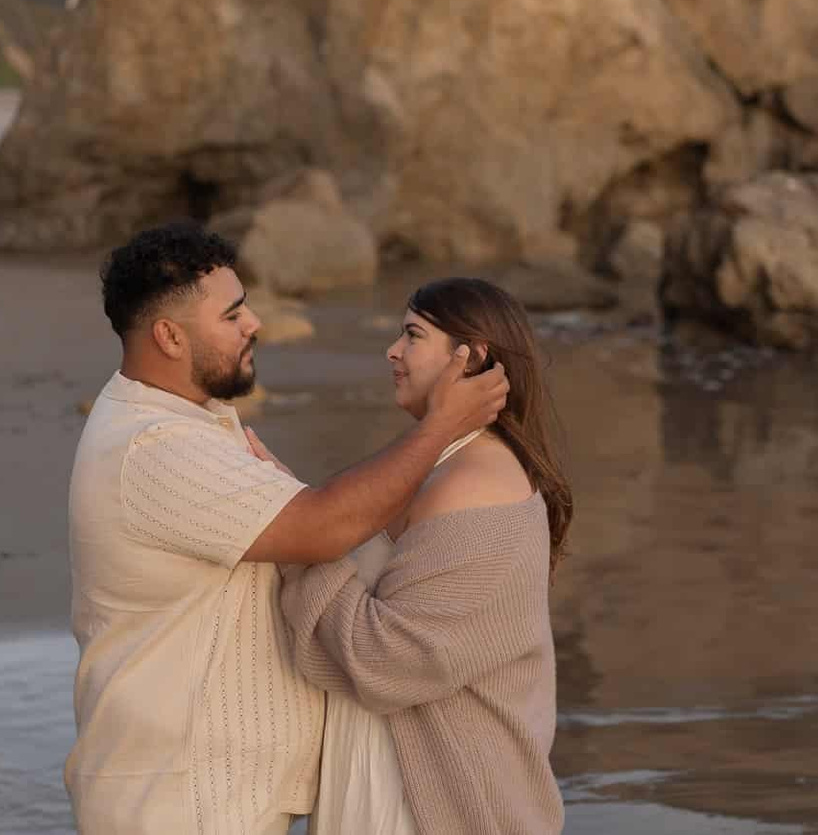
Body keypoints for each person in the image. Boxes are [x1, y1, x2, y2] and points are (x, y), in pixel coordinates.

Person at [65, 223, 508, 835]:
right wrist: (440, 427)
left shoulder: (193, 418)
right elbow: (324, 529)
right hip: (179, 805)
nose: (254, 325)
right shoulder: (155, 448)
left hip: (208, 798)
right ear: (169, 336)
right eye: (232, 315)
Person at [266, 277, 571, 835]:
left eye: (413, 335)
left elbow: (389, 660)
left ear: (470, 357)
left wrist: (298, 542)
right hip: (392, 784)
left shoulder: (477, 483)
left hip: (433, 807)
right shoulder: (446, 466)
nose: (393, 351)